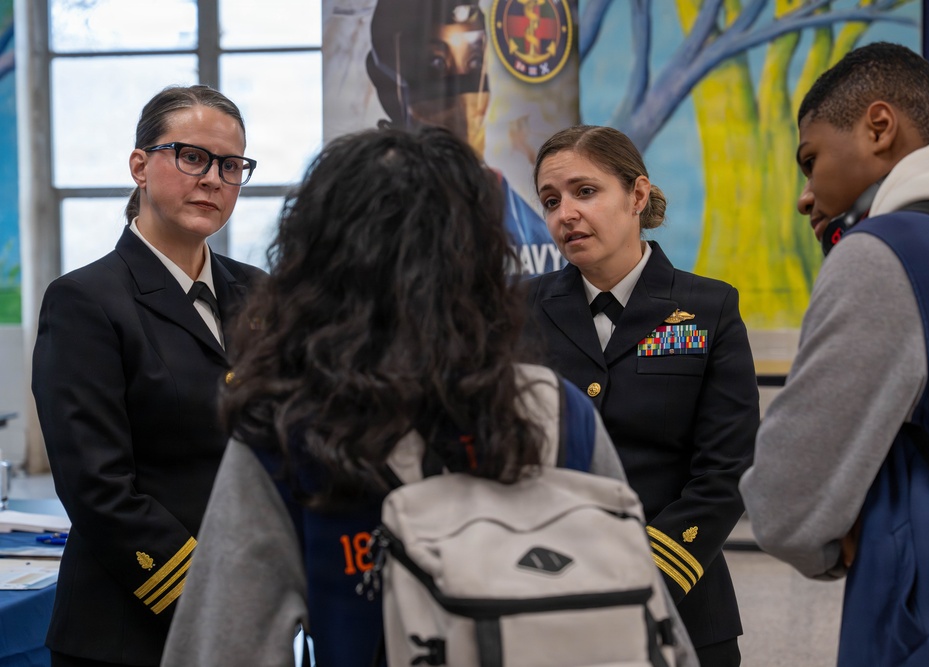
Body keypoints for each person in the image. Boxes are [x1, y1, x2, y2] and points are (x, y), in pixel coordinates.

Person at [160, 126, 699, 667]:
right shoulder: (552, 409)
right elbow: (650, 624)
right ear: (479, 258)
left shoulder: (287, 426)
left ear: (318, 265)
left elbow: (222, 647)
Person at [739, 42, 929, 666]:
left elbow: (784, 506)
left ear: (878, 127)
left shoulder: (888, 252)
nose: (806, 197)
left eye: (811, 160)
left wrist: (847, 532)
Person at [31, 84, 263, 667]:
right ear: (139, 165)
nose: (212, 178)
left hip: (255, 614)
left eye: (230, 165)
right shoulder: (86, 300)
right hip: (131, 628)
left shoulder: (262, 294)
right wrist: (208, 593)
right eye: (192, 156)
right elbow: (97, 485)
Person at [524, 124, 759, 667]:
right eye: (551, 200)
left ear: (637, 195)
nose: (565, 214)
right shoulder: (518, 311)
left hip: (682, 598)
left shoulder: (708, 307)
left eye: (585, 192)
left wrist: (643, 574)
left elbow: (728, 469)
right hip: (545, 599)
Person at [364, 0, 560, 273]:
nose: (465, 104)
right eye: (434, 65)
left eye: (475, 61)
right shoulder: (368, 213)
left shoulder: (528, 227)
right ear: (389, 85)